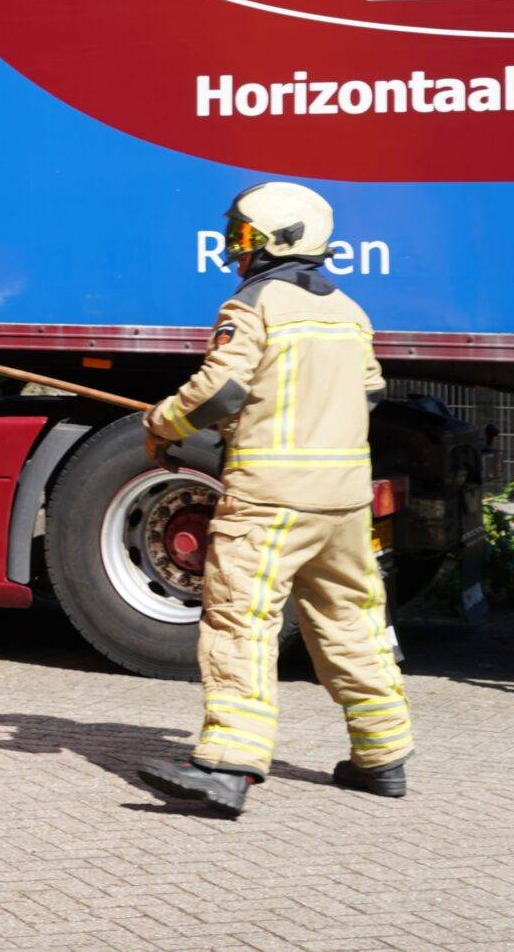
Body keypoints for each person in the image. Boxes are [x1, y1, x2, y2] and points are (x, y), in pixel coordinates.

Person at [134, 181, 411, 817]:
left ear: (275, 241)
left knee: (241, 621)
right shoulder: (348, 310)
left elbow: (217, 395)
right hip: (341, 502)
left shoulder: (254, 305)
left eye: (242, 238)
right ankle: (382, 755)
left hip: (269, 501)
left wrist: (159, 425)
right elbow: (366, 394)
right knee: (352, 622)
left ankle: (229, 765)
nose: (234, 252)